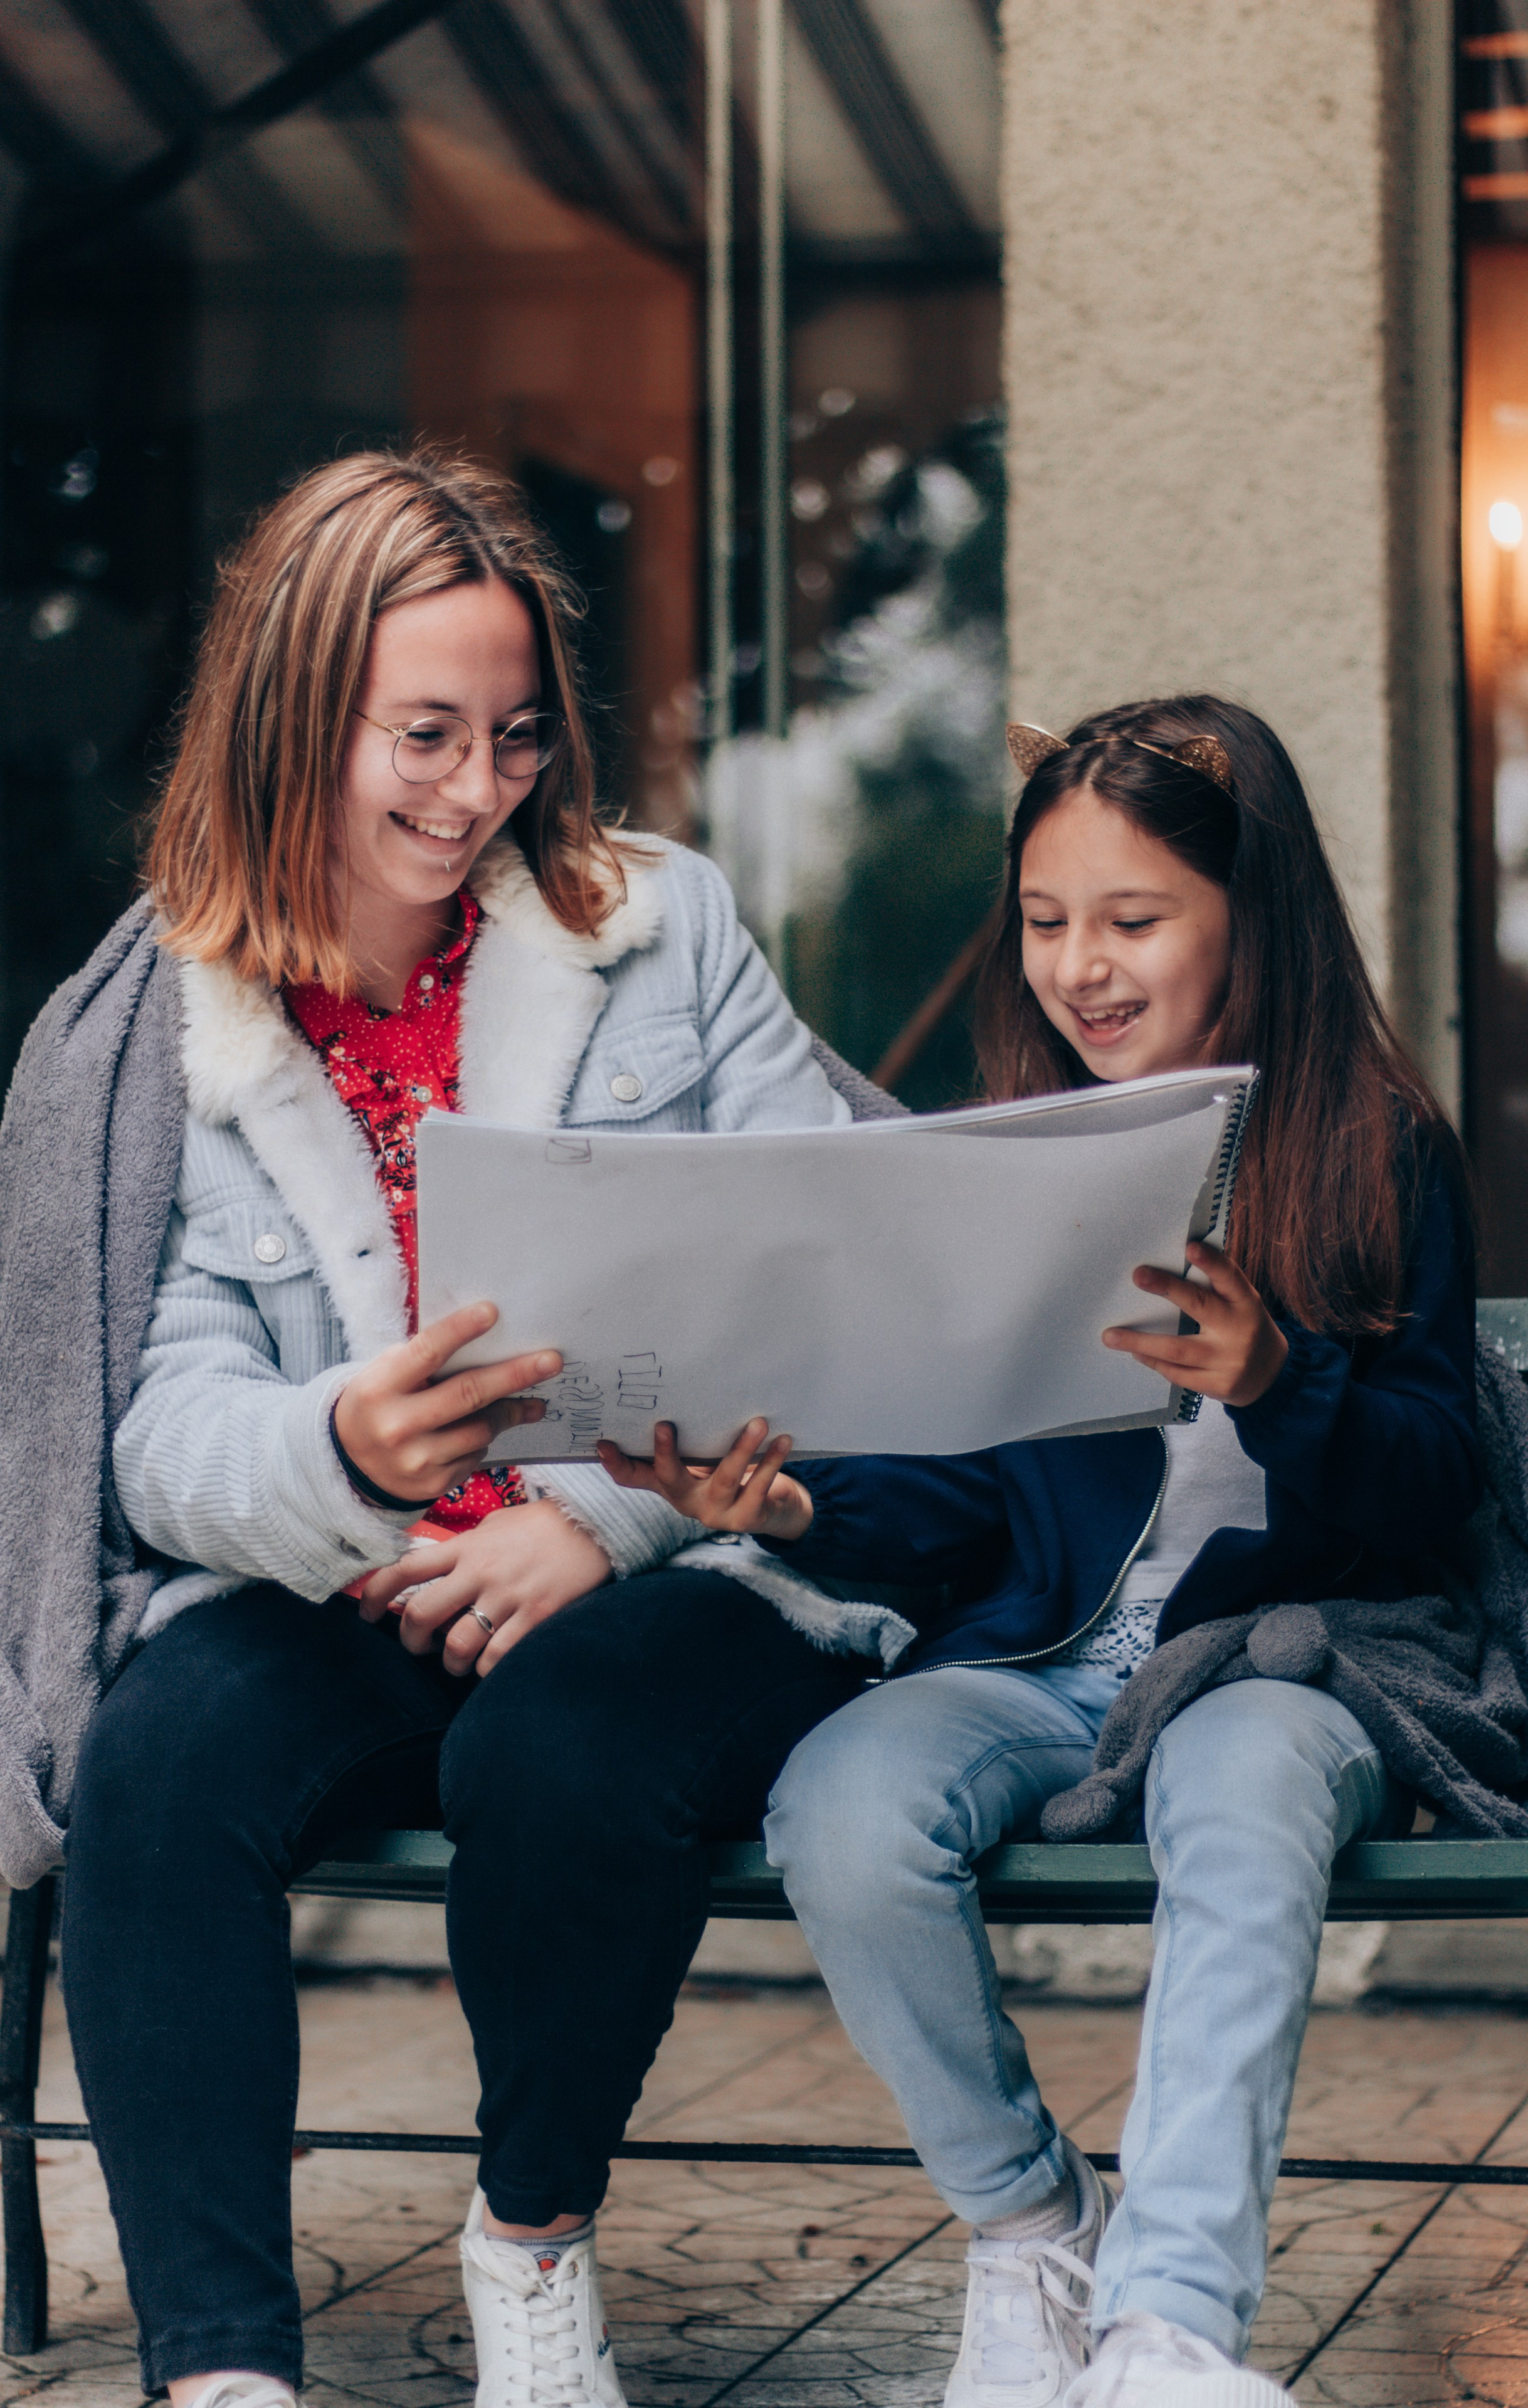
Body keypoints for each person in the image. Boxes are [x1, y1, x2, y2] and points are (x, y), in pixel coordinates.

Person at [48, 449, 897, 2408]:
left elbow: (833, 1267)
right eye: (421, 734)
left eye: (515, 737)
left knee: (565, 1734)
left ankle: (527, 2246)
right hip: (357, 1574)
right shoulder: (180, 1023)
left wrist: (602, 1527)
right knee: (159, 1766)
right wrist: (349, 1454)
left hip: (660, 1566)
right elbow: (157, 1433)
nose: (474, 788)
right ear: (293, 714)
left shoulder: (659, 925)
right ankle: (225, 2375)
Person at [603, 698, 1481, 2408]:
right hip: (1053, 1653)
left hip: (1292, 1657)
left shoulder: (1373, 1146)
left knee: (1237, 1791)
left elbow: (1436, 1491)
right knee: (843, 1808)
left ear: (1255, 915)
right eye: (1047, 920)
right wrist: (791, 1511)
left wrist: (1281, 1385)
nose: (1081, 966)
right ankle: (1030, 2225)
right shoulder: (1012, 1151)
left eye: (1134, 921)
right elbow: (963, 1502)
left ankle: (1166, 2329)